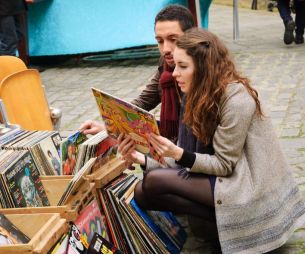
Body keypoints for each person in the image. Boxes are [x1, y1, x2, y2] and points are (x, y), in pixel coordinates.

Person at [118, 28, 305, 253]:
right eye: (175, 65)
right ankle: (218, 227)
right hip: (219, 180)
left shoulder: (237, 100)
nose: (175, 73)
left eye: (183, 66)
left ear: (204, 67)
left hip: (246, 188)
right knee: (142, 191)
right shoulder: (195, 95)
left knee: (154, 182)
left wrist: (176, 153)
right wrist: (141, 158)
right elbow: (189, 158)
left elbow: (223, 165)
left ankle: (237, 228)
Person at [80, 4, 195, 142]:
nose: (165, 49)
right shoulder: (165, 68)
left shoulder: (203, 74)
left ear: (191, 37)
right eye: (160, 41)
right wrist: (110, 126)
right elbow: (141, 103)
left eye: (173, 39)